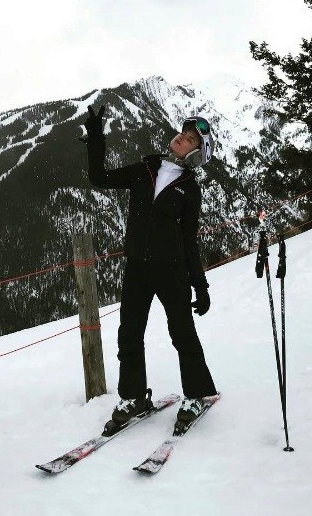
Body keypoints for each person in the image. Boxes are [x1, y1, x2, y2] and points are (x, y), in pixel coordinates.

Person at [82, 104, 217, 424]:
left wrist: (200, 284)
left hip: (172, 270)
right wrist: (96, 139)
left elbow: (189, 240)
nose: (180, 138)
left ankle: (197, 394)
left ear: (198, 154)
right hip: (136, 268)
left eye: (189, 139)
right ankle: (133, 398)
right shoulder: (145, 168)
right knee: (128, 334)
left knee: (182, 333)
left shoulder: (189, 189)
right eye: (181, 133)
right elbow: (99, 178)